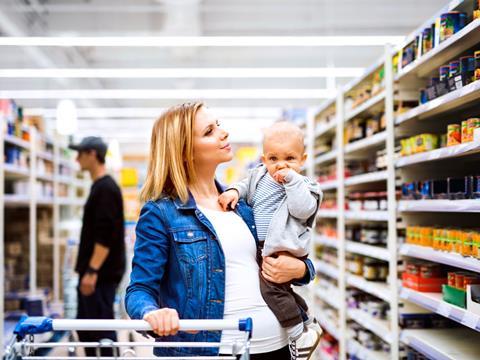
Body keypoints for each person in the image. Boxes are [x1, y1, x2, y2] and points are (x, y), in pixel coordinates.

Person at [125, 102, 316, 359]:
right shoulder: (161, 213)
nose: (223, 133)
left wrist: (302, 270)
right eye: (209, 132)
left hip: (279, 347)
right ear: (185, 152)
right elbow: (139, 289)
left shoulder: (244, 203)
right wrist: (152, 313)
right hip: (215, 351)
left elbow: (286, 254)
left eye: (219, 125)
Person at [218, 121, 323, 359]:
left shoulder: (307, 186)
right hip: (263, 247)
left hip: (286, 247)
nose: (281, 165)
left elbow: (302, 210)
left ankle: (298, 334)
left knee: (271, 289)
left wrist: (292, 181)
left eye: (290, 158)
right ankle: (306, 320)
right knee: (279, 288)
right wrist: (234, 192)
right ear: (264, 159)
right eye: (274, 159)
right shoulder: (258, 176)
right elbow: (244, 186)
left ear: (303, 160)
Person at [69, 136, 126, 356]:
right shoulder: (100, 187)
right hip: (96, 273)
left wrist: (92, 271)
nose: (77, 158)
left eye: (80, 153)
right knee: (87, 329)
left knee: (100, 331)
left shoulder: (105, 188)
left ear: (93, 154)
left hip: (100, 275)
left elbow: (106, 235)